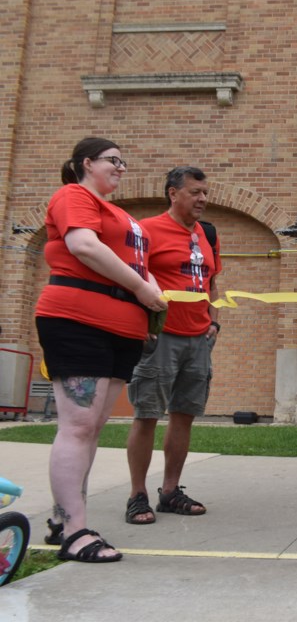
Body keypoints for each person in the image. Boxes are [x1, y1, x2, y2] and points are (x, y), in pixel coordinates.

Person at [35, 137, 167, 562]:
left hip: (122, 329)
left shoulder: (122, 215)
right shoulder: (73, 195)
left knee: (91, 428)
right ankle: (74, 532)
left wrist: (150, 294)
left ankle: (63, 519)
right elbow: (84, 246)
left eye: (123, 161)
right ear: (85, 163)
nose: (121, 168)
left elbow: (138, 268)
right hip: (77, 321)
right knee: (77, 427)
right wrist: (141, 288)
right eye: (113, 161)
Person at [124, 167, 222, 525]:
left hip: (199, 340)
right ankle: (137, 495)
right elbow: (131, 279)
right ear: (173, 193)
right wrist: (142, 325)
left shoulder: (208, 235)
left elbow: (212, 282)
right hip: (160, 338)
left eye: (205, 193)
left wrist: (213, 319)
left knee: (184, 414)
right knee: (147, 413)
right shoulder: (146, 231)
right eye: (195, 192)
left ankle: (170, 491)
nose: (203, 199)